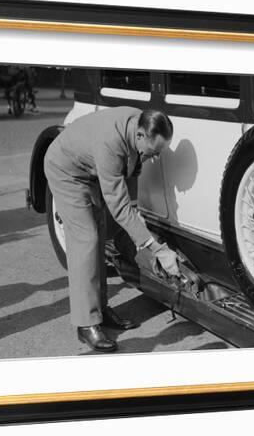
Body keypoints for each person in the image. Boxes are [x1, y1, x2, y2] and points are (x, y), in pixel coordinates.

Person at [44, 107, 180, 353]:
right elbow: (119, 205)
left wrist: (136, 212)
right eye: (155, 150)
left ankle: (100, 310)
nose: (157, 156)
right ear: (140, 136)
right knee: (86, 240)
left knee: (99, 231)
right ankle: (86, 325)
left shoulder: (140, 126)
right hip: (66, 172)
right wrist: (158, 250)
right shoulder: (111, 143)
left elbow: (132, 171)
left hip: (90, 170)